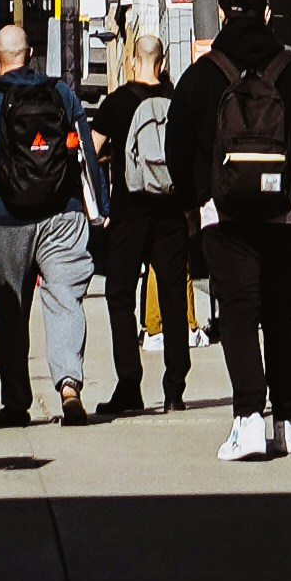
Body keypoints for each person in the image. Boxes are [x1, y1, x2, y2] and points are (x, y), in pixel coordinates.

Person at [168, 0, 291, 459]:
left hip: (226, 217)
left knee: (238, 313)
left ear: (220, 13)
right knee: (281, 314)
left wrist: (196, 203)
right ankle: (288, 415)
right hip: (283, 214)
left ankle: (248, 419)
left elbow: (176, 147)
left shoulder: (202, 74)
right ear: (268, 14)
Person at [0, 18, 97, 423]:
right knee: (64, 300)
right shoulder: (61, 94)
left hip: (10, 218)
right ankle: (69, 386)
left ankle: (15, 403)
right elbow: (86, 154)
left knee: (13, 309)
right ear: (30, 56)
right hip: (63, 213)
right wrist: (99, 207)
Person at [97, 33, 191, 416]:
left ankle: (129, 384)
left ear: (132, 61)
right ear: (163, 62)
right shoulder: (178, 103)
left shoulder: (116, 104)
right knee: (171, 297)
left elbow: (93, 150)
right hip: (171, 212)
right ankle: (174, 389)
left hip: (128, 211)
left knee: (119, 294)